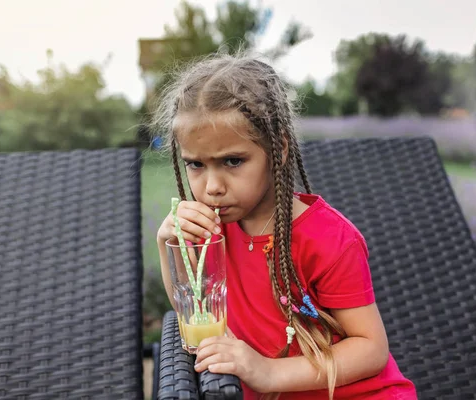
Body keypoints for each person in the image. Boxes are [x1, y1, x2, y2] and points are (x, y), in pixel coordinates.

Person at [154, 52, 417, 400]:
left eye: (232, 161)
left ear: (277, 151)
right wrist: (166, 244)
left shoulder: (328, 240)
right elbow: (195, 311)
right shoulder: (213, 229)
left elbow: (371, 349)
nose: (212, 186)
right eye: (196, 165)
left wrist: (268, 372)